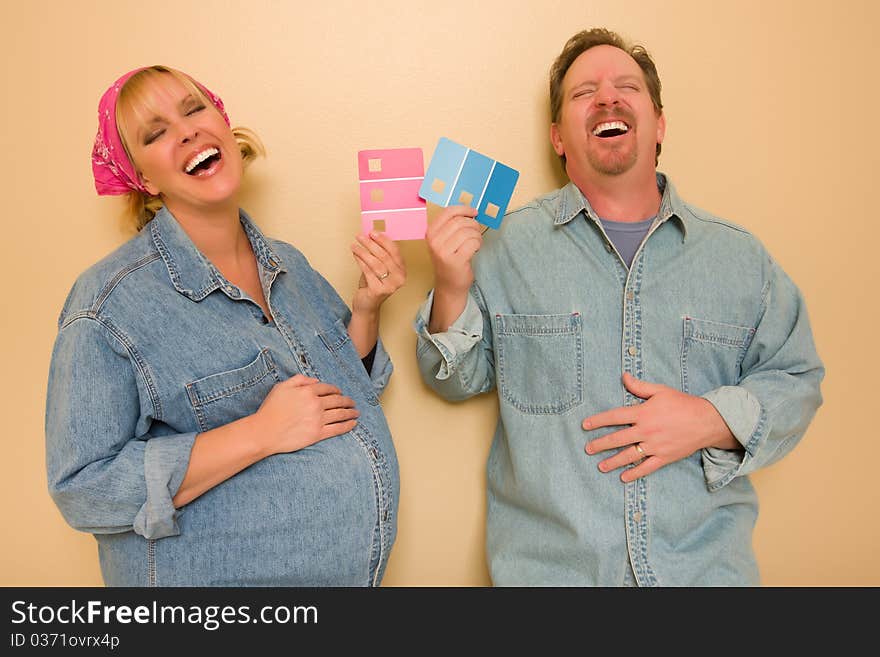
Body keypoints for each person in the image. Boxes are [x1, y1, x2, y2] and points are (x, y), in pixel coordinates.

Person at [415, 28, 823, 586]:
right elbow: (453, 380)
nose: (607, 98)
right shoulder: (504, 246)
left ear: (659, 124)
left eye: (626, 86)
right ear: (558, 137)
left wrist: (709, 419)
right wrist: (451, 287)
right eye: (585, 92)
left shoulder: (740, 259)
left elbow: (798, 379)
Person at [46, 65, 404, 586]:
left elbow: (339, 395)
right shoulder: (107, 305)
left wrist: (368, 306)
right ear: (142, 178)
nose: (187, 130)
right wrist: (259, 432)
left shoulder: (289, 265)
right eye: (157, 131)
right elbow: (83, 488)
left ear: (224, 124)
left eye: (194, 109)